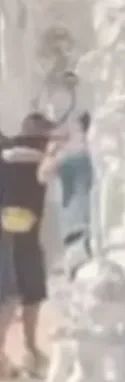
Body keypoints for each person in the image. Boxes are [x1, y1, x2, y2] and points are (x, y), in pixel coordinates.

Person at [0, 113, 53, 378]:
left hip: (18, 233)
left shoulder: (10, 152)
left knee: (24, 295)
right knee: (14, 297)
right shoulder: (36, 153)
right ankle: (17, 353)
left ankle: (26, 352)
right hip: (17, 234)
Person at [37, 113, 94, 278]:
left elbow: (42, 176)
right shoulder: (100, 155)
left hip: (76, 227)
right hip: (95, 227)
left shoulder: (69, 157)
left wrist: (51, 151)